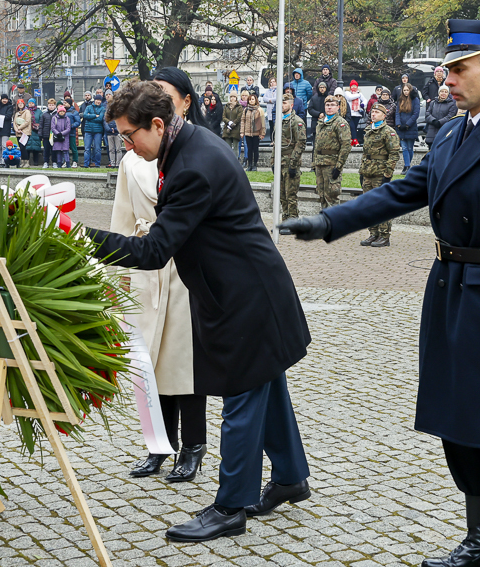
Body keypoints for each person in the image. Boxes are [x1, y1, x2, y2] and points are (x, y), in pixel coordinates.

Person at [282, 19, 480, 567]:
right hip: (451, 292)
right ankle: (479, 538)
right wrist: (330, 222)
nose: (447, 78)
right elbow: (405, 190)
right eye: (448, 68)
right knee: (459, 421)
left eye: (459, 69)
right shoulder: (454, 131)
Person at [83, 80, 311, 542]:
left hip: (245, 300)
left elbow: (153, 251)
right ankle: (289, 478)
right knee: (268, 386)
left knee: (242, 396)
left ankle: (230, 507)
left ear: (159, 124)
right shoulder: (188, 145)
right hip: (244, 290)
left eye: (130, 135)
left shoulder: (192, 166)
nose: (126, 145)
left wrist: (78, 234)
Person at [110, 149, 208, 482]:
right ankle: (159, 445)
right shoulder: (130, 161)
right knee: (149, 361)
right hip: (144, 263)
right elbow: (123, 215)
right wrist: (117, 274)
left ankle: (194, 445)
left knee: (184, 361)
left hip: (184, 265)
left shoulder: (189, 155)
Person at [357, 103, 400, 248]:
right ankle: (373, 233)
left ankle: (384, 236)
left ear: (383, 115)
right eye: (372, 112)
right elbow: (365, 154)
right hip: (368, 172)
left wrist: (387, 175)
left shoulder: (388, 132)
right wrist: (362, 172)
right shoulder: (369, 129)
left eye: (376, 112)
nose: (373, 114)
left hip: (380, 173)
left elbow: (393, 154)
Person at [311, 96, 350, 209]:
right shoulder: (321, 122)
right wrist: (314, 163)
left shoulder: (340, 123)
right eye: (327, 105)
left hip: (331, 163)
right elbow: (317, 144)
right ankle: (325, 223)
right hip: (320, 163)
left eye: (332, 105)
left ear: (338, 107)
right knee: (321, 195)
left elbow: (345, 146)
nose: (329, 107)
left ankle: (334, 224)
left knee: (331, 196)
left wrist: (338, 167)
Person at [278, 94, 306, 222]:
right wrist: (273, 161)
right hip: (280, 162)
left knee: (291, 194)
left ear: (291, 105)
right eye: (281, 103)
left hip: (290, 162)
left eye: (285, 103)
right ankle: (285, 218)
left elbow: (300, 144)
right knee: (282, 194)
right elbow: (275, 143)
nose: (282, 105)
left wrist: (293, 164)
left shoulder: (297, 122)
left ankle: (293, 220)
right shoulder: (280, 120)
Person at [394, 83, 420, 172]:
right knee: (404, 148)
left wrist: (408, 125)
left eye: (407, 90)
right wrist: (398, 124)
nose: (406, 92)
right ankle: (407, 166)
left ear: (410, 90)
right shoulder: (400, 100)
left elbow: (416, 114)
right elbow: (397, 113)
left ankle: (407, 165)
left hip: (411, 127)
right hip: (401, 127)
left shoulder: (415, 100)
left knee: (409, 148)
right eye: (404, 90)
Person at [240, 92, 265, 172]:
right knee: (249, 149)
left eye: (252, 99)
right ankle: (249, 164)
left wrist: (262, 133)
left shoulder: (259, 110)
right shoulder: (246, 110)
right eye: (250, 100)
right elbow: (243, 120)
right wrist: (242, 132)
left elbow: (262, 122)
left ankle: (255, 165)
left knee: (255, 149)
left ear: (256, 100)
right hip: (248, 133)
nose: (251, 101)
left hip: (256, 132)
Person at [82, 93, 106, 167]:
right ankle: (86, 164)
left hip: (98, 131)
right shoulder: (89, 107)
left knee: (97, 149)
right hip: (88, 131)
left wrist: (90, 117)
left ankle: (97, 164)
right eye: (97, 100)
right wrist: (95, 115)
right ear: (94, 100)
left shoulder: (102, 109)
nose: (98, 101)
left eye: (99, 100)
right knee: (87, 148)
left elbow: (100, 119)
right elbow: (85, 115)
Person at [343, 80, 368, 144]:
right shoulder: (347, 92)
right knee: (352, 127)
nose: (354, 87)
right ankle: (355, 139)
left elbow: (365, 100)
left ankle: (352, 140)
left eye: (355, 86)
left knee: (355, 127)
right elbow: (350, 98)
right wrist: (358, 95)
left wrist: (362, 104)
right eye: (352, 85)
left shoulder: (359, 93)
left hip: (357, 113)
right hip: (350, 113)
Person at [221, 92, 243, 161]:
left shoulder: (239, 107)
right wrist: (228, 122)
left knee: (236, 147)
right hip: (227, 129)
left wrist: (233, 124)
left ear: (236, 98)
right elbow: (223, 116)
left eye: (234, 96)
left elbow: (239, 117)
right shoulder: (226, 106)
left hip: (235, 128)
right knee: (228, 147)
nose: (232, 98)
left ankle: (236, 161)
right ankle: (229, 161)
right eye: (231, 96)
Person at [0, 95, 14, 165]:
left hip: (5, 128)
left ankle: (4, 160)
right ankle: (0, 160)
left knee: (4, 146)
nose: (5, 100)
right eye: (3, 99)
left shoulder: (10, 107)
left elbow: (8, 116)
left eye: (6, 99)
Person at [51, 103, 71, 167]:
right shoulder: (54, 118)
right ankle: (59, 163)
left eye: (63, 111)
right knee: (58, 151)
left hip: (65, 137)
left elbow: (68, 128)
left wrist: (62, 133)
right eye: (60, 111)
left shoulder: (67, 119)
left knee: (65, 151)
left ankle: (68, 163)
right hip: (57, 137)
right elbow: (53, 128)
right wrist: (57, 133)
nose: (62, 113)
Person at [24, 100, 43, 168]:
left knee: (36, 147)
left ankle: (36, 162)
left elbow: (41, 120)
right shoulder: (26, 111)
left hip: (36, 131)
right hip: (27, 131)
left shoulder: (39, 112)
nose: (31, 104)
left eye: (32, 103)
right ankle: (27, 161)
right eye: (29, 103)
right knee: (27, 146)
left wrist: (38, 126)